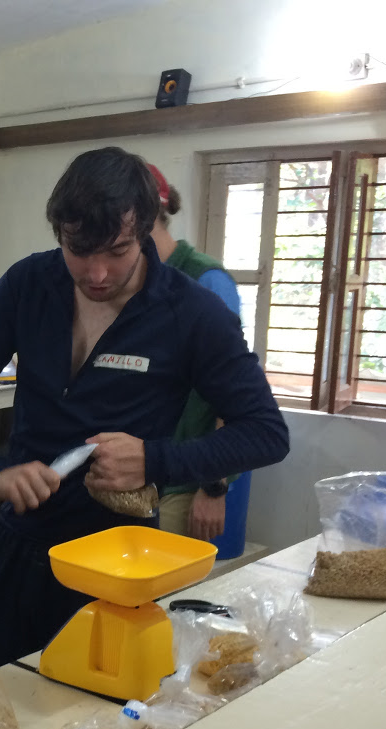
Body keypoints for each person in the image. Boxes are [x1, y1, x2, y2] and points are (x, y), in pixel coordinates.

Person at [0, 146, 289, 667]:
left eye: (117, 252)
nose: (97, 273)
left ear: (146, 228)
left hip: (117, 561)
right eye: (79, 250)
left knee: (100, 722)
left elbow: (266, 433)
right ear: (59, 232)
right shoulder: (29, 284)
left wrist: (155, 460)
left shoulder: (192, 313)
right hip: (17, 547)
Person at [146, 164, 244, 543]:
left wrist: (213, 487)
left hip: (187, 483)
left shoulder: (207, 281)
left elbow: (231, 393)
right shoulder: (135, 281)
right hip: (143, 475)